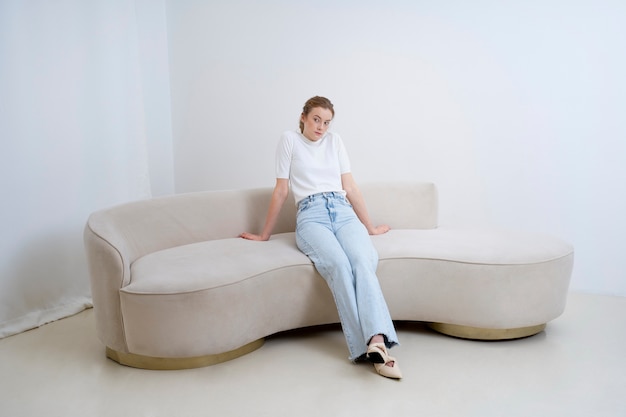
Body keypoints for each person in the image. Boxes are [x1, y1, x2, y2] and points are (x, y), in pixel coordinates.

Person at [240, 96, 401, 379]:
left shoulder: (334, 141)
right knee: (338, 265)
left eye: (326, 122)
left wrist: (370, 227)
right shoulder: (289, 140)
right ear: (303, 116)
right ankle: (369, 348)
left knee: (363, 259)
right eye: (316, 119)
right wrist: (264, 234)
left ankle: (376, 341)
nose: (321, 127)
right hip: (311, 215)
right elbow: (281, 190)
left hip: (342, 211)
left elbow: (349, 186)